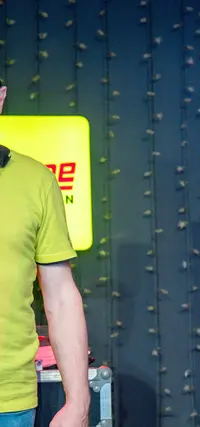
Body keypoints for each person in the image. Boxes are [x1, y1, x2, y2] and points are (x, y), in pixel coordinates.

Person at [0, 79, 90, 427]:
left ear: (1, 97)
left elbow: (61, 297)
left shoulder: (37, 181)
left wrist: (79, 403)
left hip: (8, 400)